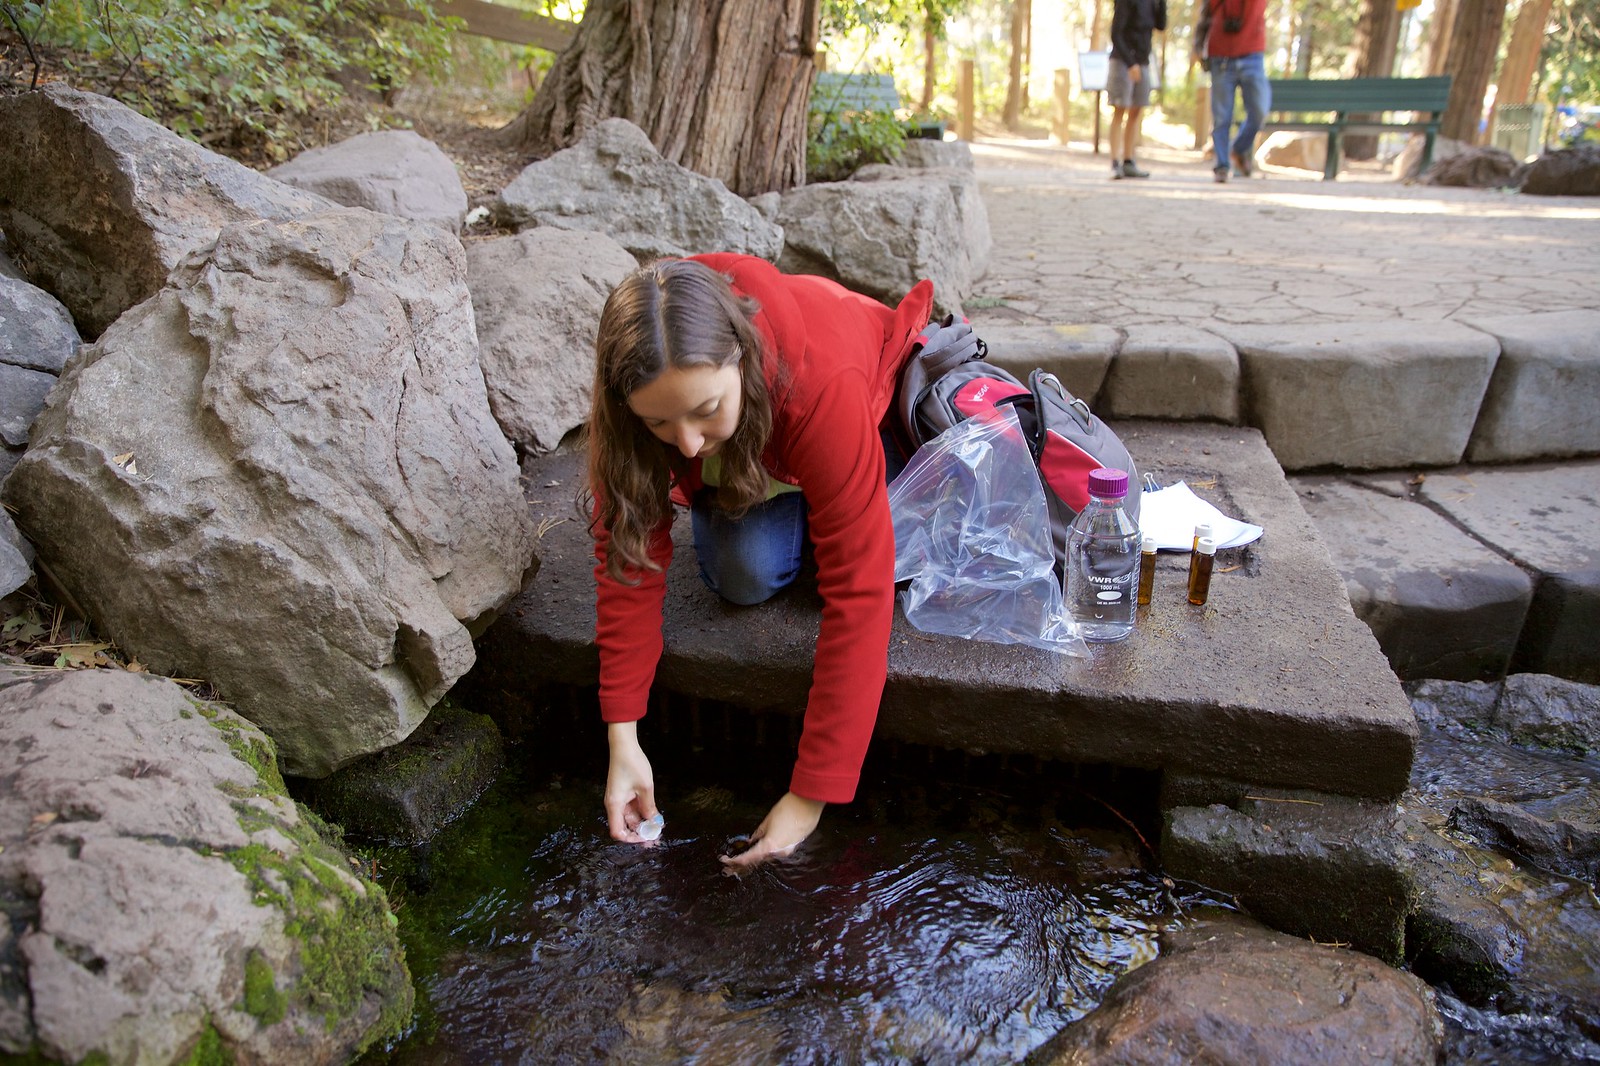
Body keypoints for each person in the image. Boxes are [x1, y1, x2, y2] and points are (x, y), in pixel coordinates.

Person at [587, 254, 934, 872]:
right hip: (761, 449)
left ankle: (845, 484)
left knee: (866, 546)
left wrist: (810, 796)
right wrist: (623, 736)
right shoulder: (638, 377)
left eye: (704, 410)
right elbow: (628, 551)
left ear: (739, 360)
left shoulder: (820, 383)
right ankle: (813, 492)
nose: (687, 444)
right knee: (742, 572)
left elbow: (860, 591)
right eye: (659, 423)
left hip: (840, 401)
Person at [1197, 0, 1270, 183]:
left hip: (1252, 54)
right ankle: (1222, 165)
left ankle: (1237, 149)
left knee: (1259, 111)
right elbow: (1205, 16)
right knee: (1222, 118)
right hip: (1220, 56)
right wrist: (1198, 47)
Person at [1107, 0, 1167, 180]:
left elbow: (1161, 25)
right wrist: (1130, 63)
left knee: (1136, 111)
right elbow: (1116, 33)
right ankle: (1114, 162)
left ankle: (1128, 160)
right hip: (1122, 61)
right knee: (1120, 109)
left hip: (1143, 61)